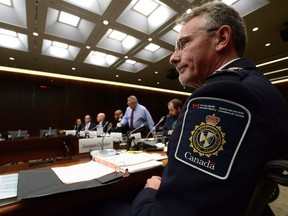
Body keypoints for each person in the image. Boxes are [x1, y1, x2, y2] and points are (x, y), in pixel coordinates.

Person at [101, 2, 288, 216]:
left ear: (222, 39)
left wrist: (149, 193)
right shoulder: (254, 84)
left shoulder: (222, 95)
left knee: (97, 205)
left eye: (184, 44)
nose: (173, 57)